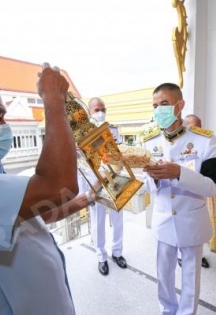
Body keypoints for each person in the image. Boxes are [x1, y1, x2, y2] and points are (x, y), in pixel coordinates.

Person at [0, 63, 99, 314]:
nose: (3, 127)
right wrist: (54, 103)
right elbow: (58, 185)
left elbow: (39, 213)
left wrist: (89, 198)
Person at [142, 83, 216, 314]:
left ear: (180, 105)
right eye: (155, 105)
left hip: (191, 220)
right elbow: (147, 186)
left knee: (191, 277)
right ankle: (167, 310)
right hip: (163, 221)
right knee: (163, 275)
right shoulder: (149, 142)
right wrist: (156, 179)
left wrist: (179, 173)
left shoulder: (204, 140)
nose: (159, 110)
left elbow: (213, 187)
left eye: (164, 104)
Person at [80, 97, 127, 276]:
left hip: (115, 181)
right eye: (96, 109)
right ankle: (101, 256)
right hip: (95, 184)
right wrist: (84, 192)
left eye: (103, 109)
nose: (100, 112)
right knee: (97, 222)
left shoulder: (112, 129)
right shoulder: (82, 136)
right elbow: (80, 166)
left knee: (118, 220)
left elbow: (119, 153)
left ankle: (117, 253)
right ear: (88, 113)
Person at [177, 113, 209, 269]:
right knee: (180, 228)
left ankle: (199, 255)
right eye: (191, 128)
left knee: (197, 228)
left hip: (198, 194)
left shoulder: (205, 145)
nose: (195, 131)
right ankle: (180, 256)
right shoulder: (177, 146)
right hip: (180, 196)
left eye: (198, 127)